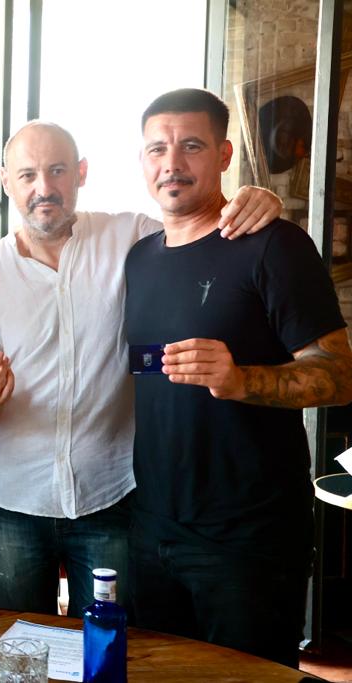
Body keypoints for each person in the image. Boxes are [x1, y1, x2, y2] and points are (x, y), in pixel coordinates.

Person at [0, 121, 282, 617]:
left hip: (111, 497)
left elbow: (200, 227)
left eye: (57, 170)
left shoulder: (131, 237)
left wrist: (252, 200)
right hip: (11, 504)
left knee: (111, 649)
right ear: (6, 182)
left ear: (81, 173)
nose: (43, 188)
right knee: (21, 645)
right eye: (27, 175)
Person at [124, 87, 352, 666]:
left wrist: (243, 380)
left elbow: (340, 374)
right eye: (157, 150)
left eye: (191, 146)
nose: (172, 163)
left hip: (248, 539)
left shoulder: (274, 246)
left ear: (224, 155)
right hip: (151, 529)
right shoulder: (140, 258)